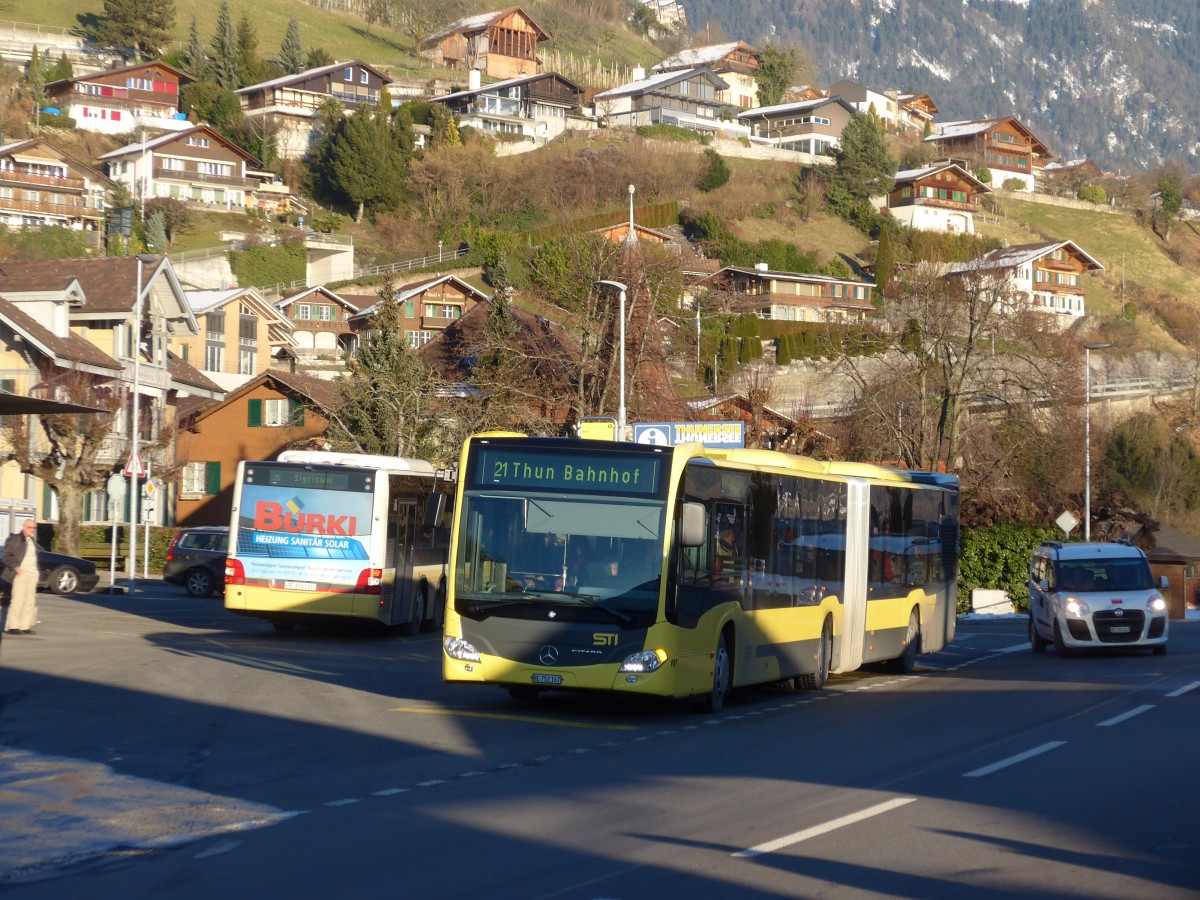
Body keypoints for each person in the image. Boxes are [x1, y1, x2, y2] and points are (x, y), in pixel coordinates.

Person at [3, 520, 39, 635]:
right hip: (22, 573)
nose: (32, 529)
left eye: (34, 528)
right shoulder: (16, 539)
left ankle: (24, 626)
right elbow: (6, 556)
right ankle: (13, 626)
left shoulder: (32, 540)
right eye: (29, 527)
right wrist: (16, 568)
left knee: (29, 601)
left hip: (32, 574)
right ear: (24, 527)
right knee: (18, 600)